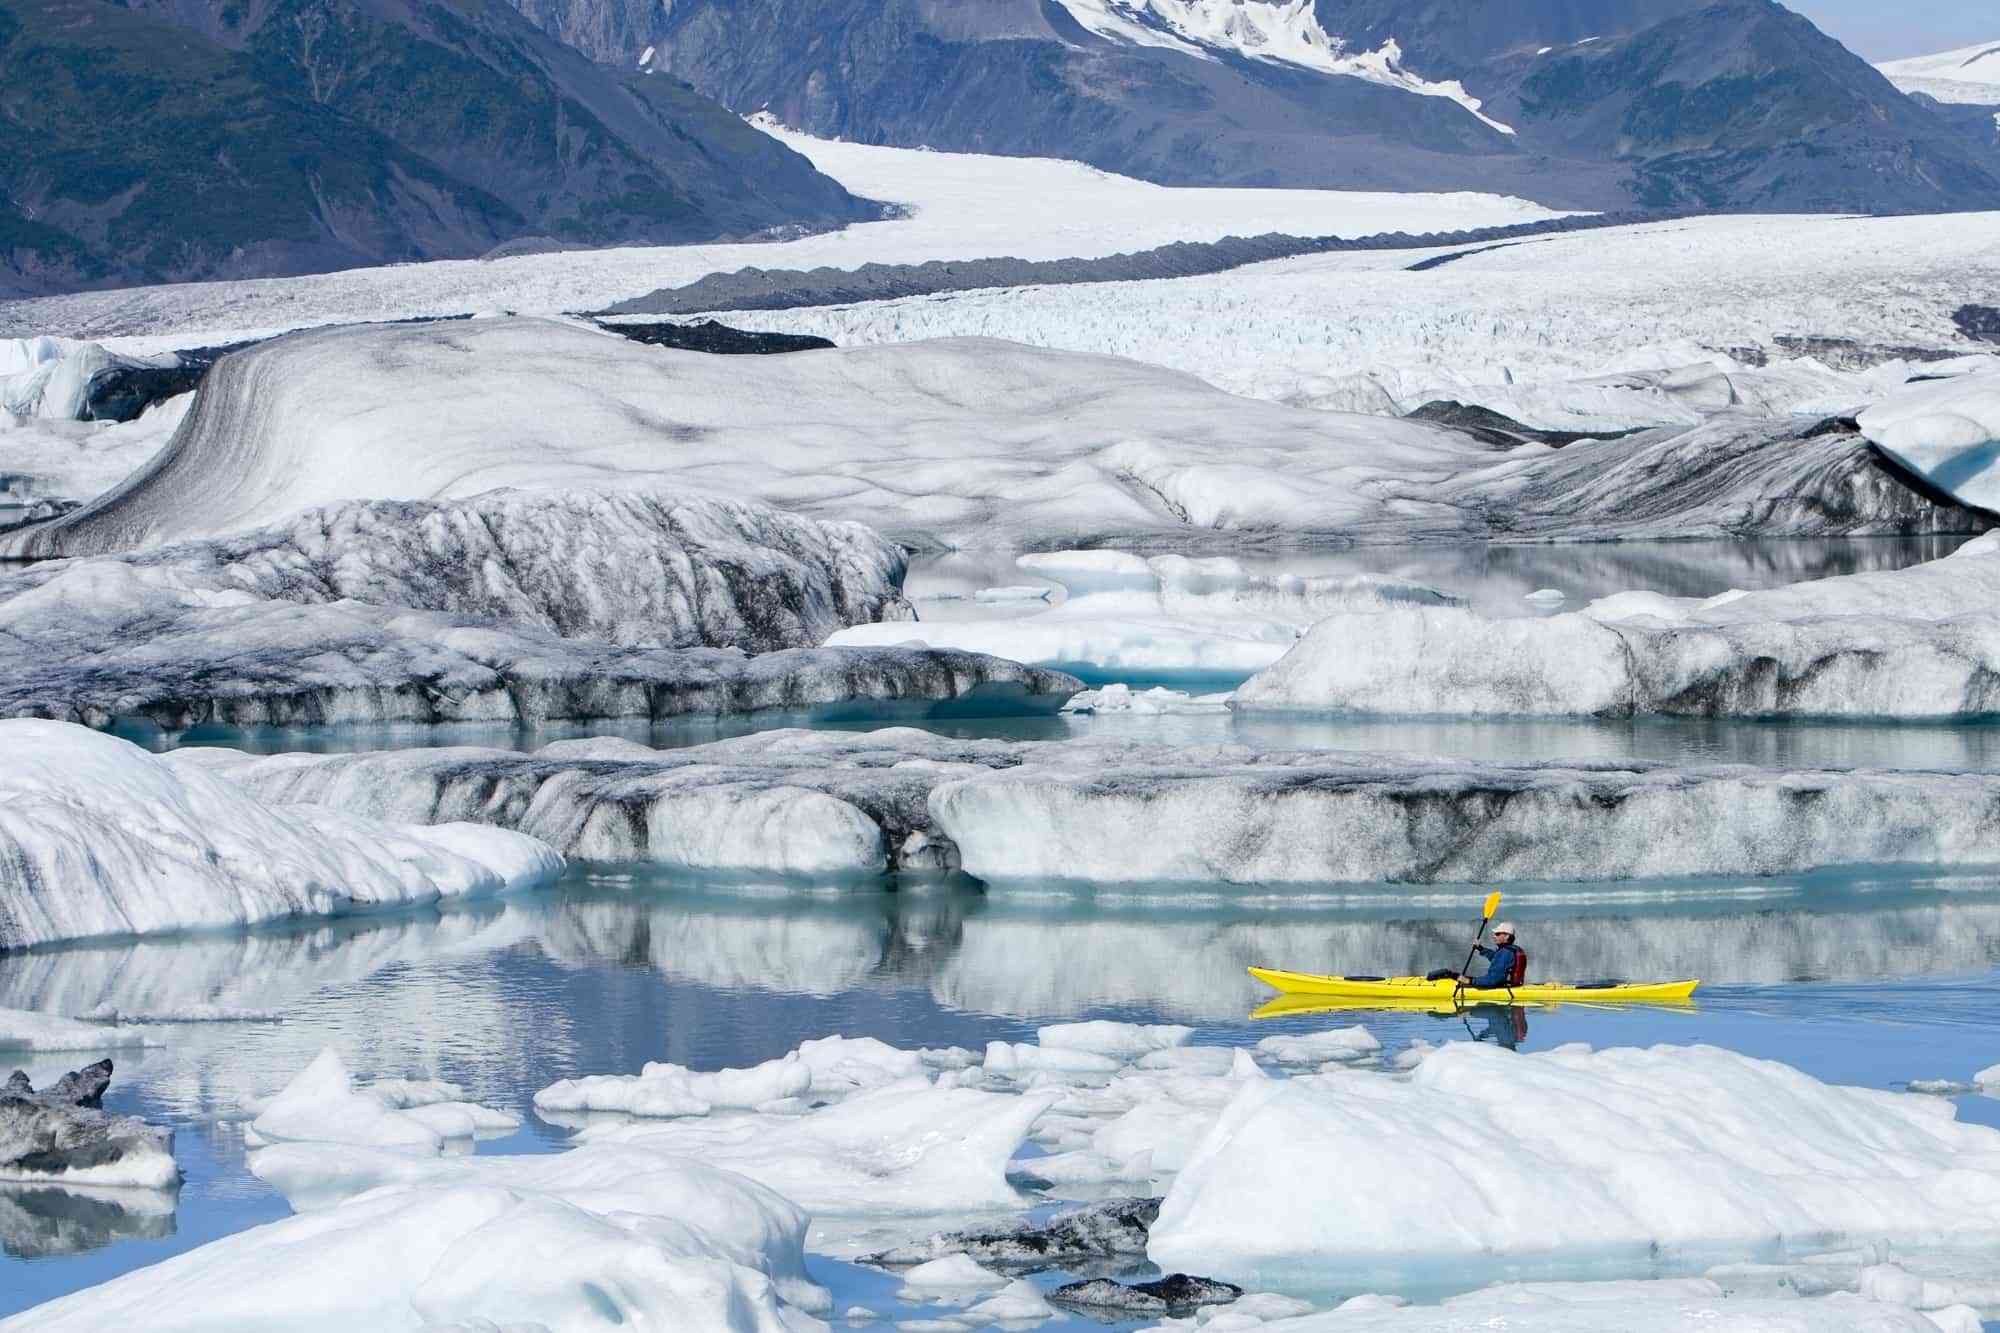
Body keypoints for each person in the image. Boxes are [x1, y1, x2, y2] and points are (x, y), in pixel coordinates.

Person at [1426, 923, 1526, 990]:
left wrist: (1469, 981)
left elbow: (1493, 980)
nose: (1494, 936)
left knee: (1450, 974)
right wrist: (1481, 948)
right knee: (1452, 975)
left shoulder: (1505, 953)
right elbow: (1496, 958)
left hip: (1500, 986)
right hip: (1511, 985)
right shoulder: (1510, 950)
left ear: (1507, 936)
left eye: (1497, 934)